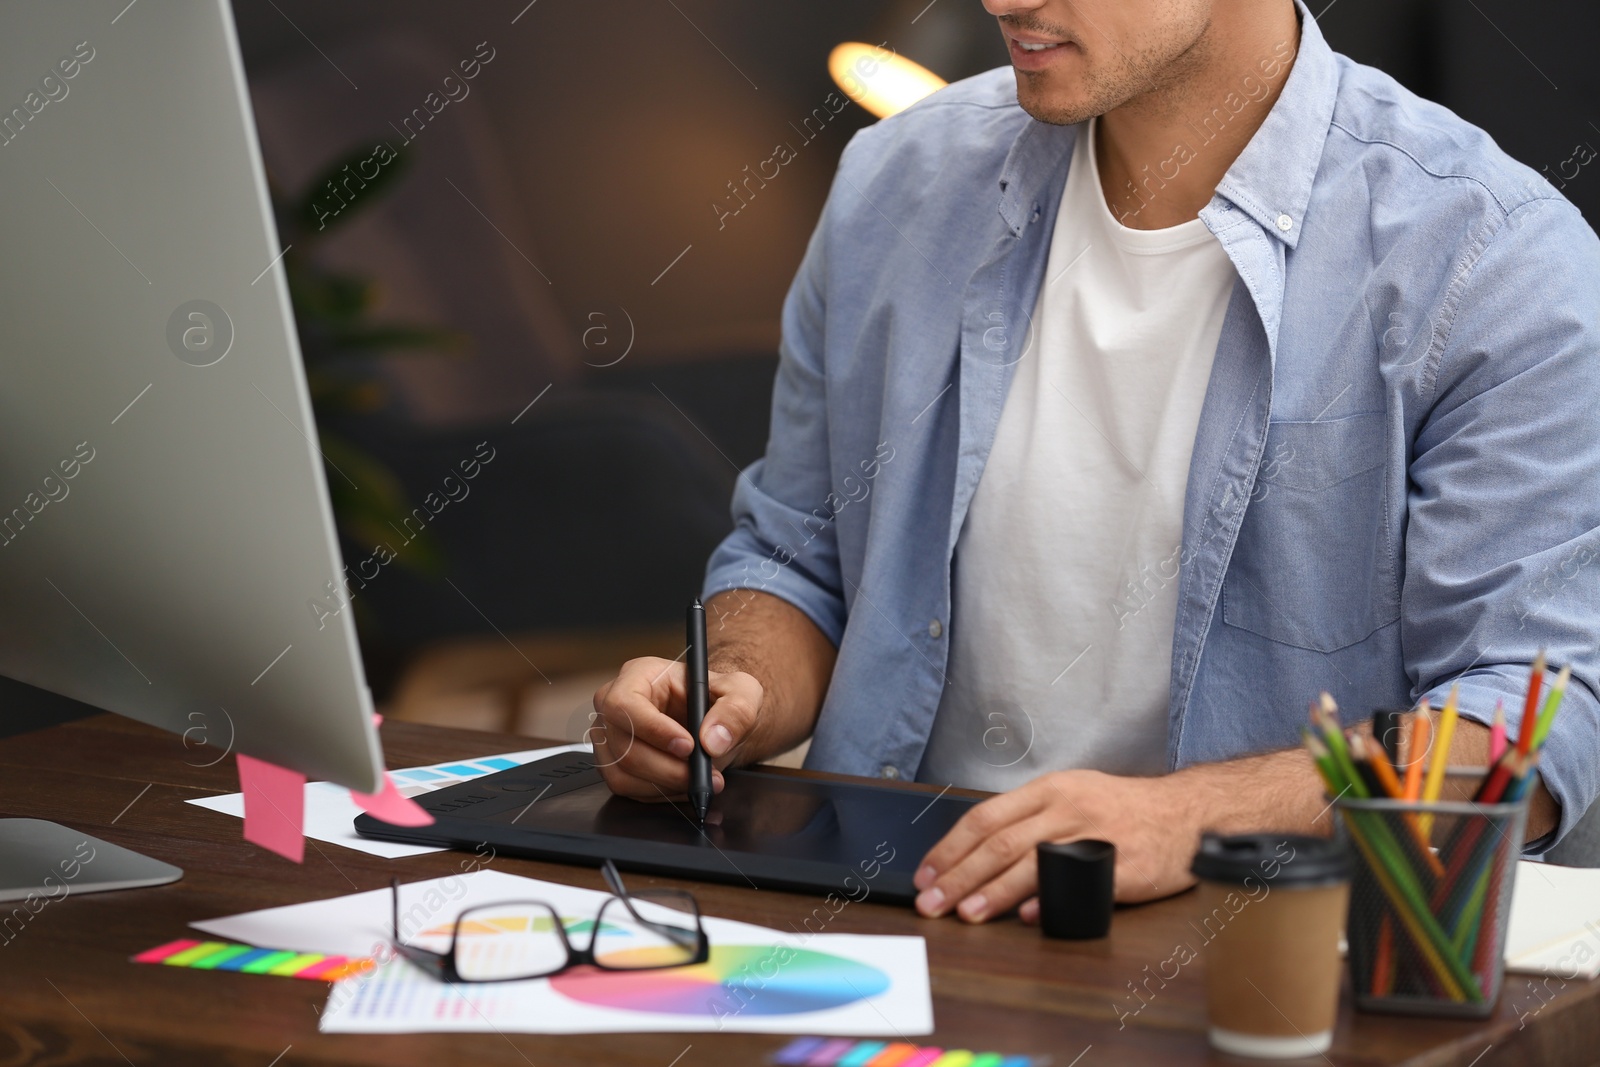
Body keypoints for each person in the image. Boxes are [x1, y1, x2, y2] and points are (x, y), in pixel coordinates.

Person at [592, 0, 1600, 924]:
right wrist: (728, 692)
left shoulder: (1492, 265)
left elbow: (1526, 720)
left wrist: (1193, 817)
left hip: (1254, 963)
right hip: (894, 928)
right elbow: (799, 559)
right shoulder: (893, 184)